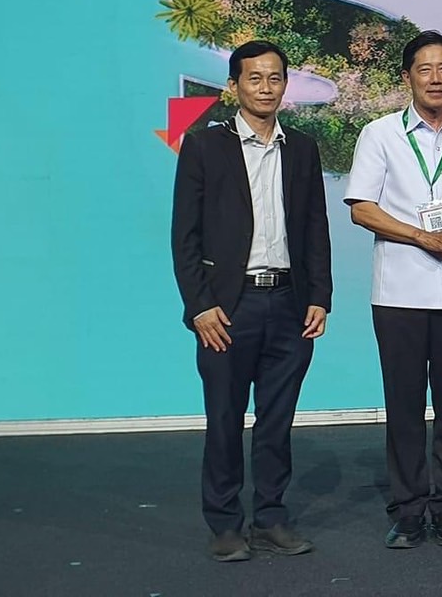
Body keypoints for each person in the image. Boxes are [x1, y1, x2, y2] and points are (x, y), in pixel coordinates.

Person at [170, 40, 332, 563]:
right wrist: (199, 305)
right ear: (233, 86)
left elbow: (315, 228)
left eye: (275, 78)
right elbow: (184, 235)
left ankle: (271, 517)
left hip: (288, 303)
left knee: (276, 422)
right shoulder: (203, 146)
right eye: (254, 78)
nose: (266, 88)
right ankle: (224, 523)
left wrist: (320, 296)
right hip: (227, 308)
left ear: (286, 84)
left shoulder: (301, 148)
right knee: (224, 419)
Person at [344, 31, 442, 549]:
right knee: (404, 407)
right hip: (400, 293)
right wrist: (422, 236)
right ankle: (408, 511)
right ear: (407, 76)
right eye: (424, 69)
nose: (435, 78)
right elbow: (362, 208)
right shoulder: (380, 134)